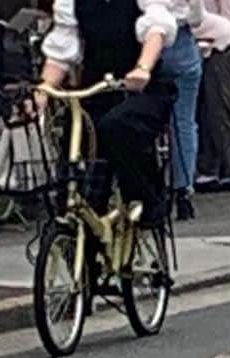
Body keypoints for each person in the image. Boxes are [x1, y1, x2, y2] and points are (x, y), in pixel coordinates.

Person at [40, 0, 178, 224]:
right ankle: (77, 227)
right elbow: (60, 53)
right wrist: (43, 90)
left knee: (119, 126)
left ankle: (146, 200)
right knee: (76, 137)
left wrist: (143, 67)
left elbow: (156, 29)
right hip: (97, 87)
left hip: (141, 87)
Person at [190, 0, 230, 192]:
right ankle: (208, 171)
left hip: (222, 50)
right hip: (214, 48)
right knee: (206, 113)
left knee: (218, 112)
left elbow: (226, 16)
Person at [156, 0, 204, 220]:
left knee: (141, 116)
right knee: (183, 122)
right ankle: (184, 190)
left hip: (148, 44)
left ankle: (152, 188)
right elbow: (197, 17)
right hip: (183, 43)